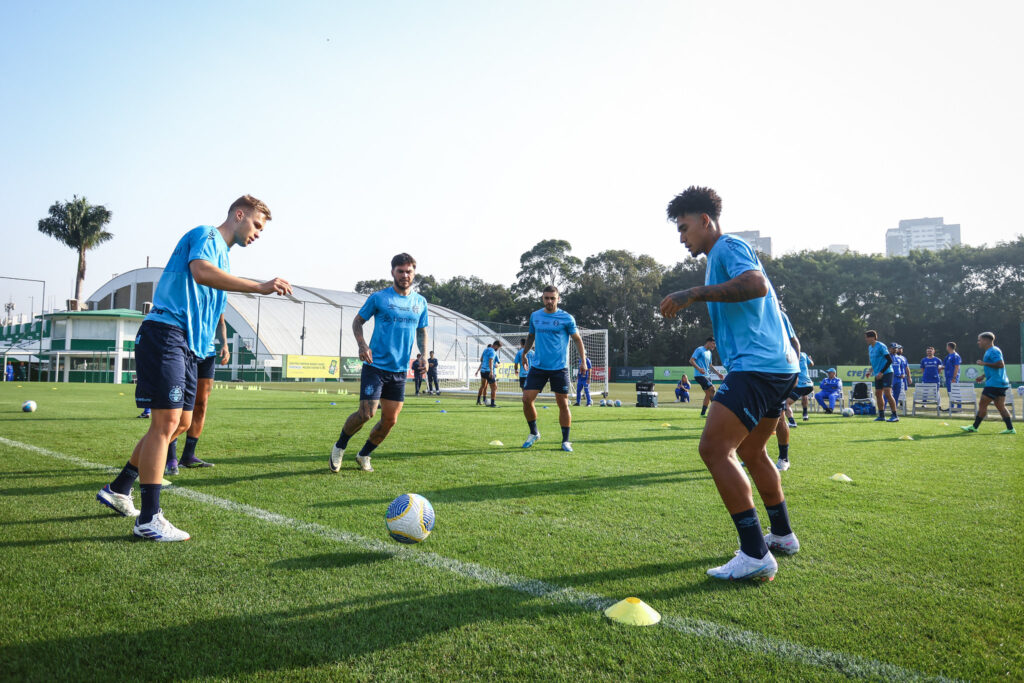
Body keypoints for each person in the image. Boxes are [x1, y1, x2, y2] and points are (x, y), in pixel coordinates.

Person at [96, 195, 291, 541]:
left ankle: (119, 487)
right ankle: (149, 518)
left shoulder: (225, 257)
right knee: (165, 423)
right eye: (257, 225)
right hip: (165, 333)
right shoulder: (207, 236)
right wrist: (260, 287)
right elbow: (201, 272)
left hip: (188, 346)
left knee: (181, 423)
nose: (258, 233)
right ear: (239, 214)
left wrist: (213, 346)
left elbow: (213, 303)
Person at [660, 185, 799, 582]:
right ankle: (783, 535)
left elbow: (755, 284)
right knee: (753, 451)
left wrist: (693, 293)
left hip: (759, 367)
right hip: (777, 366)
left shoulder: (726, 247)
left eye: (685, 228)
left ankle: (755, 553)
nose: (682, 238)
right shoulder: (719, 256)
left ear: (706, 221)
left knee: (715, 449)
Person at [330, 253, 428, 473]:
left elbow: (422, 330)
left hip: (400, 370)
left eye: (409, 271)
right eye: (400, 271)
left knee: (390, 421)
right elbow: (358, 321)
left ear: (414, 273)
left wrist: (423, 354)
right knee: (366, 414)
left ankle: (364, 454)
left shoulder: (420, 302)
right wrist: (362, 344)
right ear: (392, 272)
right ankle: (340, 446)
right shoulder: (379, 298)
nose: (405, 275)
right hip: (376, 366)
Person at [521, 286, 587, 453]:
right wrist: (524, 354)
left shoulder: (566, 318)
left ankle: (565, 441)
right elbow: (531, 336)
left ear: (558, 299)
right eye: (546, 298)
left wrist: (583, 361)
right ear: (542, 298)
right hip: (538, 366)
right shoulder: (535, 316)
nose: (549, 301)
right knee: (527, 399)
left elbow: (578, 340)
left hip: (559, 368)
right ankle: (534, 432)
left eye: (553, 298)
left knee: (563, 404)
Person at [165, 314, 228, 474]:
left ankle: (188, 456)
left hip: (208, 354)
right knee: (180, 405)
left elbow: (220, 322)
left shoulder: (221, 292)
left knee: (201, 404)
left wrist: (225, 344)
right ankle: (170, 458)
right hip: (187, 350)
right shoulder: (194, 290)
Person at [960, 331, 1015, 434]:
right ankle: (1010, 429)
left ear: (986, 340)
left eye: (979, 340)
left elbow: (1000, 364)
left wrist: (984, 363)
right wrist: (983, 376)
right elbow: (994, 367)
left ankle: (974, 427)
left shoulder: (993, 351)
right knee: (1000, 406)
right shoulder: (990, 351)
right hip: (1000, 383)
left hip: (994, 383)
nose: (978, 342)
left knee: (982, 404)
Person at [865, 330, 899, 422]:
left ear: (872, 338)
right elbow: (874, 362)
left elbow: (889, 360)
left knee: (887, 393)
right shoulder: (870, 348)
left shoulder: (881, 346)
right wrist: (870, 371)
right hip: (877, 374)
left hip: (887, 372)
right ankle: (881, 415)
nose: (866, 339)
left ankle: (895, 415)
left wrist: (881, 372)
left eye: (867, 337)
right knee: (878, 394)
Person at [689, 337, 724, 417]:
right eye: (714, 343)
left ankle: (703, 414)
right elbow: (691, 360)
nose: (714, 346)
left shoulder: (709, 353)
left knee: (708, 394)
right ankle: (715, 412)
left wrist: (718, 374)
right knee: (712, 389)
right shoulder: (699, 349)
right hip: (700, 375)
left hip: (707, 376)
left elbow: (710, 365)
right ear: (708, 342)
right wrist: (699, 369)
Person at [785, 349, 814, 427]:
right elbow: (811, 364)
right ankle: (805, 414)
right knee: (804, 395)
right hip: (809, 385)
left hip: (800, 385)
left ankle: (792, 422)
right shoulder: (804, 354)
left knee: (786, 403)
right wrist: (810, 360)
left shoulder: (788, 354)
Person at [476, 341, 501, 407]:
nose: (498, 349)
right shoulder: (493, 351)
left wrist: (484, 363)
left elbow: (481, 359)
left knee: (483, 386)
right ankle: (492, 404)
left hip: (483, 371)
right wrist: (491, 371)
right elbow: (491, 360)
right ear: (496, 346)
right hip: (488, 371)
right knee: (494, 387)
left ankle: (478, 400)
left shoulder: (485, 350)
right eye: (498, 347)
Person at [888, 342, 909, 412]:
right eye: (893, 348)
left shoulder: (900, 358)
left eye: (896, 348)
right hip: (890, 378)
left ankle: (894, 411)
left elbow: (902, 367)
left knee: (896, 396)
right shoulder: (887, 357)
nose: (895, 350)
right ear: (890, 349)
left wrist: (903, 374)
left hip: (899, 379)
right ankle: (882, 411)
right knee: (887, 395)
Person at [944, 341, 962, 410]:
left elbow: (957, 367)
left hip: (953, 377)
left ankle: (959, 407)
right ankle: (951, 407)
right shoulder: (948, 356)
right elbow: (945, 365)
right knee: (950, 392)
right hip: (948, 377)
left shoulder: (955, 356)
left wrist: (954, 378)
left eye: (947, 346)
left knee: (955, 391)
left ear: (949, 347)